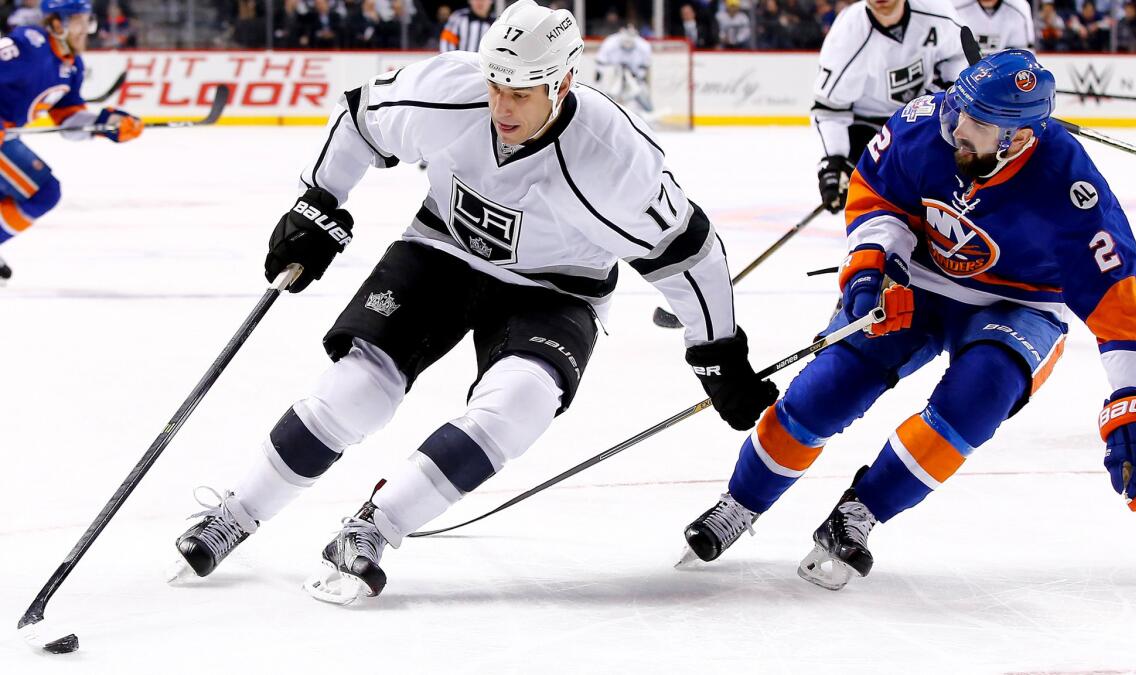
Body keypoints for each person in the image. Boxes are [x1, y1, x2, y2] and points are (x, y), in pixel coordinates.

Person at [169, 0, 777, 604]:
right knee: (356, 391)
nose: (502, 106)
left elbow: (690, 253)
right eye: (497, 85)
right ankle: (236, 513)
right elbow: (360, 118)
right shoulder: (449, 90)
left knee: (519, 404)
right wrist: (318, 203)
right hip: (443, 251)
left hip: (558, 288)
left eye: (523, 91)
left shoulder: (616, 160)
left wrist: (717, 349)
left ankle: (373, 528)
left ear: (563, 83)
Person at [680, 50, 1136, 590]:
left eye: (979, 126)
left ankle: (862, 513)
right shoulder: (927, 124)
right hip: (919, 279)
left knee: (979, 397)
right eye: (959, 113)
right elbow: (875, 193)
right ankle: (741, 500)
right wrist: (876, 265)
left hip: (1022, 303)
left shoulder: (1070, 187)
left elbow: (1120, 293)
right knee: (828, 389)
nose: (958, 130)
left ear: (1018, 138)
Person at [0, 0, 142, 283]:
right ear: (56, 24)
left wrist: (107, 124)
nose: (84, 29)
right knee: (43, 192)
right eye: (77, 21)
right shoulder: (30, 44)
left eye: (86, 21)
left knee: (41, 193)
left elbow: (68, 120)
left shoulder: (72, 65)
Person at [812, 0, 967, 214]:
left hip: (920, 115)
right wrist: (835, 161)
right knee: (880, 212)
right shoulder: (847, 34)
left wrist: (944, 92)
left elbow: (957, 56)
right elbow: (830, 109)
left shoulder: (936, 12)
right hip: (867, 128)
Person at [593, 26, 655, 117]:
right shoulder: (610, 43)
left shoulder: (644, 46)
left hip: (634, 76)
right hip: (614, 75)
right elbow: (600, 65)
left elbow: (645, 68)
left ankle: (648, 112)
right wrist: (599, 82)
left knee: (640, 93)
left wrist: (637, 77)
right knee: (609, 95)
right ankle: (604, 112)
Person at [955, 0, 1035, 54]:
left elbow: (1022, 54)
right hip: (961, 71)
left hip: (1002, 72)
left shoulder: (1019, 7)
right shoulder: (954, 6)